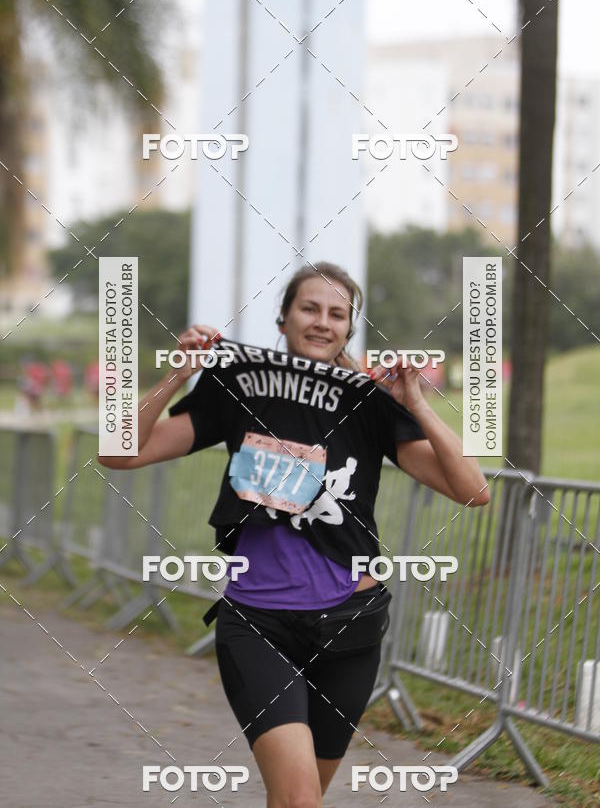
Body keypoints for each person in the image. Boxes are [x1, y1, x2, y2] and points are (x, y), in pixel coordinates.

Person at [98, 260, 490, 807]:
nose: (322, 322)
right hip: (259, 624)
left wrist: (419, 406)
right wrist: (177, 374)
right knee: (299, 798)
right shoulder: (238, 386)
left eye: (337, 314)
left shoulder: (370, 403)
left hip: (349, 629)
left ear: (348, 330)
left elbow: (474, 491)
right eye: (309, 308)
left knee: (300, 800)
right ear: (283, 318)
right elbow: (118, 453)